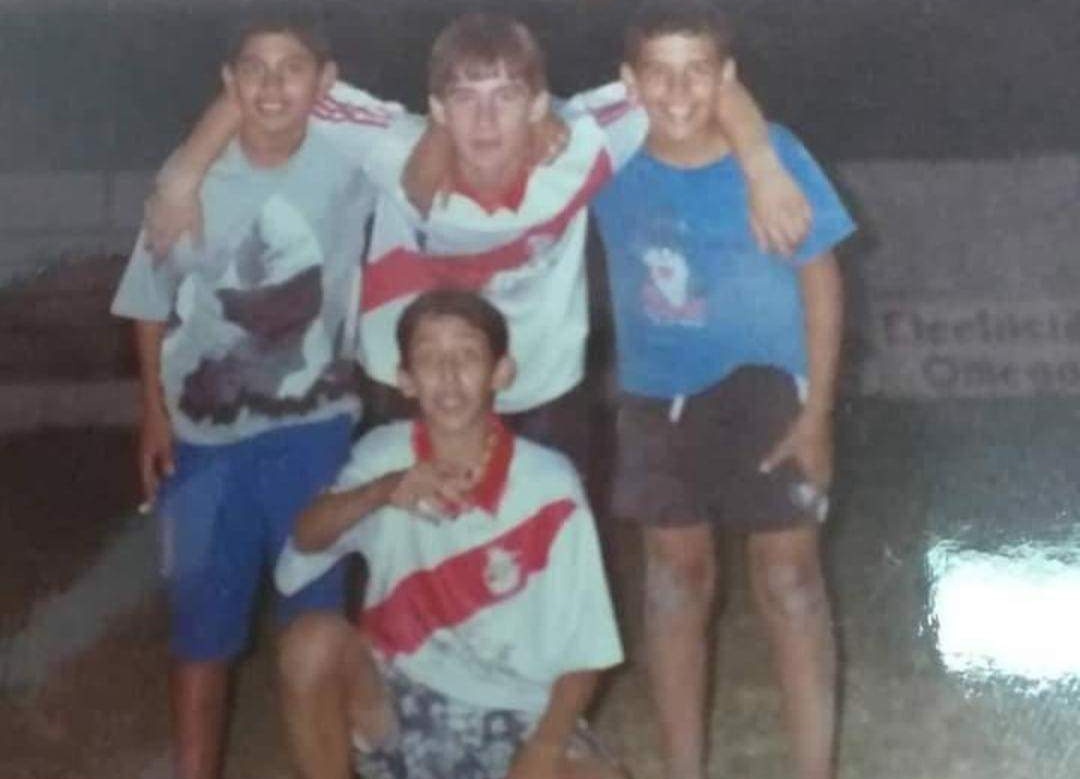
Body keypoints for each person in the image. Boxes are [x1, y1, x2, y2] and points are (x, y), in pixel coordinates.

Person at [145, 11, 811, 471]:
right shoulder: (388, 144)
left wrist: (763, 167)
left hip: (542, 387)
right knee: (412, 565)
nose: (486, 118)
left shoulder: (580, 146)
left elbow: (691, 81)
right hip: (409, 384)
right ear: (436, 107)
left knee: (539, 571)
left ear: (537, 103)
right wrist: (181, 176)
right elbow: (276, 86)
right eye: (465, 97)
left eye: (506, 96)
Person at [590, 4, 856, 779]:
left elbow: (822, 277)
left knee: (790, 580)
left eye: (698, 71)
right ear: (627, 81)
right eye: (658, 73)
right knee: (675, 583)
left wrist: (818, 414)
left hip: (771, 386)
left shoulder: (773, 154)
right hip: (655, 396)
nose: (678, 91)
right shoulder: (605, 156)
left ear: (727, 78)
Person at [109, 12, 374, 779]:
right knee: (200, 632)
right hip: (203, 442)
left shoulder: (352, 163)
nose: (271, 85)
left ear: (325, 84)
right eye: (252, 68)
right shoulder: (186, 181)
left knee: (314, 623)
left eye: (293, 67)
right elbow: (151, 303)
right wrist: (154, 415)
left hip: (316, 431)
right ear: (228, 82)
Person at [272, 288, 626, 779]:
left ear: (501, 372)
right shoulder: (383, 455)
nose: (449, 374)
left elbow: (586, 647)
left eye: (467, 354)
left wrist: (542, 750)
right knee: (308, 642)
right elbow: (307, 536)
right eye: (428, 357)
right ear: (405, 379)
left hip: (516, 708)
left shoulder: (550, 484)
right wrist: (384, 490)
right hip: (397, 699)